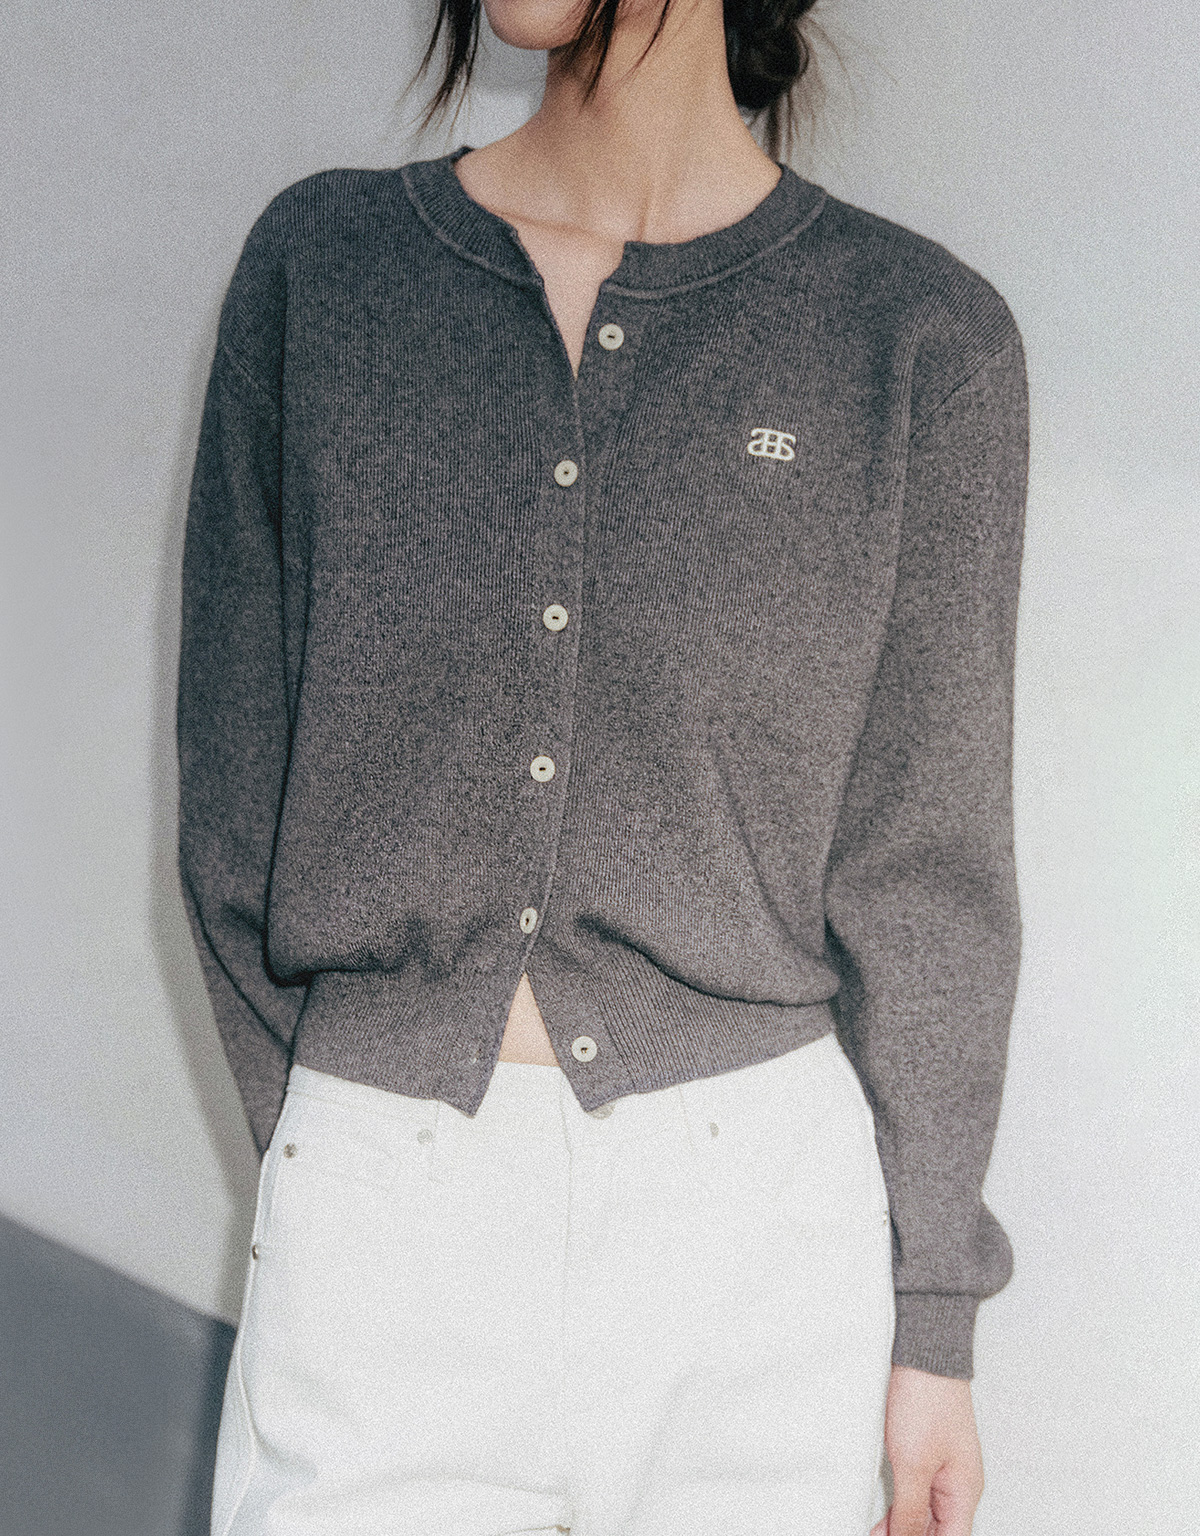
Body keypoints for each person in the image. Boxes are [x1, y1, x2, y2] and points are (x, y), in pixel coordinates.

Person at [176, 0, 1028, 1532]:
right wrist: (341, 1141)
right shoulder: (327, 273)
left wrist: (933, 1326)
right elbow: (234, 799)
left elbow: (927, 873)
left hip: (756, 1245)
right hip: (384, 1230)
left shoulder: (915, 339)